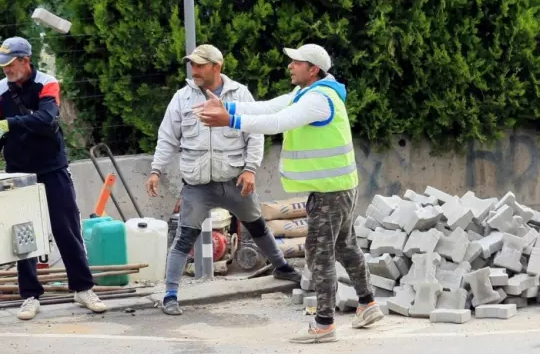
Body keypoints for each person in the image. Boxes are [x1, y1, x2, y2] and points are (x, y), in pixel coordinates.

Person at [194, 43, 383, 343]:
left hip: (330, 191)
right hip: (338, 187)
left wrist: (230, 120)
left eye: (296, 62)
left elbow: (278, 122)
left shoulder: (319, 100)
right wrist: (227, 107)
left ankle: (324, 323)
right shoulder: (306, 93)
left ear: (313, 69)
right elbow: (269, 107)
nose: (289, 66)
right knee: (345, 247)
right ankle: (368, 303)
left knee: (319, 253)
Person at [146, 44, 300, 316]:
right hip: (197, 185)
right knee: (184, 237)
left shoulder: (240, 94)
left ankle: (282, 267)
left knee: (258, 227)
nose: (194, 70)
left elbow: (255, 133)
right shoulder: (181, 98)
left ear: (217, 67)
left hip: (235, 181)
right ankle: (170, 294)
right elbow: (167, 137)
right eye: (192, 65)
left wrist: (250, 169)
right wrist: (156, 170)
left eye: (200, 65)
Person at [0, 37, 107, 321]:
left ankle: (83, 288)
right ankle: (30, 296)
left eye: (10, 65)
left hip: (52, 167)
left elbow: (47, 121)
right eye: (2, 66)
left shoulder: (48, 83)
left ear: (26, 61)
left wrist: (10, 123)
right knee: (23, 234)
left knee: (67, 228)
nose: (6, 71)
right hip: (19, 171)